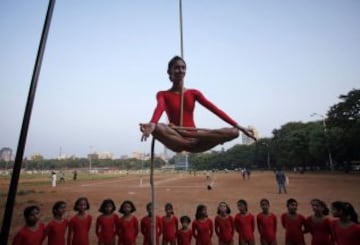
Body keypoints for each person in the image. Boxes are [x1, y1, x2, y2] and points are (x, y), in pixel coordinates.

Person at [140, 56, 257, 153]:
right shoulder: (162, 94)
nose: (180, 70)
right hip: (176, 139)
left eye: (183, 68)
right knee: (157, 127)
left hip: (196, 140)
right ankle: (185, 141)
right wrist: (152, 124)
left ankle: (190, 139)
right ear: (169, 71)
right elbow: (159, 107)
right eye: (176, 68)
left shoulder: (194, 93)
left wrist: (239, 126)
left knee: (234, 132)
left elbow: (215, 110)